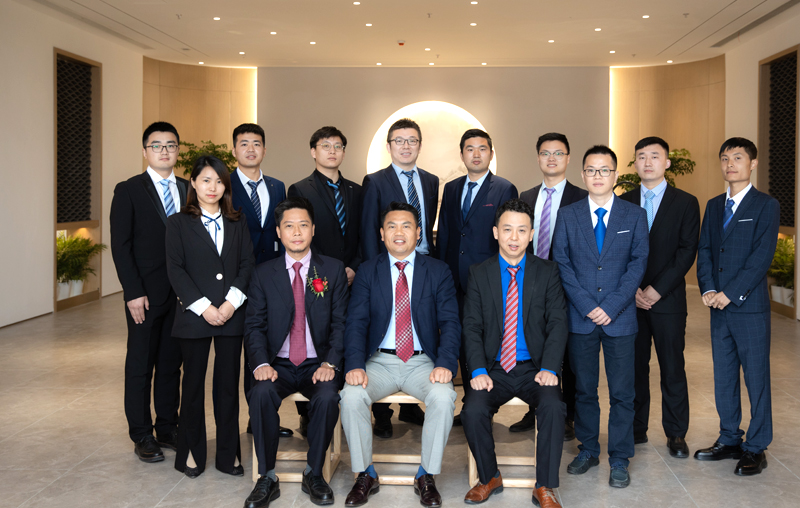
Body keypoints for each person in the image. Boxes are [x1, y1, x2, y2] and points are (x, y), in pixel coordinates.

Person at [340, 202, 461, 508]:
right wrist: (354, 364)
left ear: (418, 233)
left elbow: (450, 322)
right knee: (351, 396)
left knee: (444, 397)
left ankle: (427, 474)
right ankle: (365, 474)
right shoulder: (368, 271)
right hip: (379, 361)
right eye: (391, 226)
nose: (399, 232)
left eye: (406, 226)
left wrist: (446, 363)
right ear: (381, 234)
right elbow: (356, 322)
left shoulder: (438, 271)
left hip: (422, 361)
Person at [552, 145, 648, 488]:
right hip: (581, 317)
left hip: (620, 318)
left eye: (604, 170)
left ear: (615, 175)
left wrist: (610, 306)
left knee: (623, 392)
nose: (598, 176)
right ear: (582, 175)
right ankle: (589, 449)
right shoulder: (568, 215)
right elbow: (561, 263)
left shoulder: (634, 215)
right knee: (584, 390)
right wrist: (586, 304)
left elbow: (638, 264)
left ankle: (619, 457)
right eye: (591, 170)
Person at [461, 199, 568, 508]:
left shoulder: (547, 272)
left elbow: (558, 323)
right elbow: (471, 326)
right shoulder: (479, 273)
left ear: (532, 234)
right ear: (496, 232)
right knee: (472, 410)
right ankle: (489, 476)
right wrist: (477, 370)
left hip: (535, 367)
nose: (514, 237)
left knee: (554, 407)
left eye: (522, 230)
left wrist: (550, 367)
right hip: (494, 367)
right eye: (507, 229)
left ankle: (545, 486)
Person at [243, 197, 349, 508]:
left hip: (318, 363)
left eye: (304, 225)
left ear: (313, 229)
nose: (297, 232)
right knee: (261, 393)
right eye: (289, 226)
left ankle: (314, 472)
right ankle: (267, 476)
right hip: (278, 363)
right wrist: (261, 363)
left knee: (328, 398)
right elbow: (254, 325)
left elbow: (342, 323)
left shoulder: (332, 270)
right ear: (278, 232)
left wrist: (331, 363)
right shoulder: (263, 273)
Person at [165, 155, 255, 478]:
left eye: (218, 181)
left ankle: (228, 455)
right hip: (194, 316)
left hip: (232, 314)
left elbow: (247, 264)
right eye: (205, 180)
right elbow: (175, 269)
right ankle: (191, 452)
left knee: (227, 386)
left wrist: (230, 304)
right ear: (193, 183)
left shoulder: (237, 221)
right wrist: (204, 307)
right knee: (192, 385)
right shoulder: (177, 223)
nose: (212, 187)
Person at [694, 137, 779, 476]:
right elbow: (705, 250)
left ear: (753, 163)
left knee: (756, 379)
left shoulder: (765, 205)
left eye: (738, 158)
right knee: (724, 376)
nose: (730, 164)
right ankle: (729, 438)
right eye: (725, 158)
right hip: (718, 308)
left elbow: (761, 257)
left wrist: (729, 293)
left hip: (749, 308)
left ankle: (756, 446)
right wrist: (708, 288)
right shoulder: (714, 205)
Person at [110, 121, 185, 463]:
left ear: (177, 150)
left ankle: (167, 426)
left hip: (181, 295)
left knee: (171, 364)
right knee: (140, 365)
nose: (164, 151)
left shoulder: (188, 189)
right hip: (144, 294)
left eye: (170, 145)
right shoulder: (129, 190)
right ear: (145, 151)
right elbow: (121, 246)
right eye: (157, 145)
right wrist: (133, 291)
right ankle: (141, 434)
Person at [619, 136, 700, 458]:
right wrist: (634, 289)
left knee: (672, 367)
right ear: (635, 163)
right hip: (631, 301)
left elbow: (686, 251)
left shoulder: (686, 202)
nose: (648, 162)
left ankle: (676, 433)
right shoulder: (623, 201)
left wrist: (657, 289)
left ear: (666, 162)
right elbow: (617, 252)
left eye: (654, 156)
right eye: (641, 156)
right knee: (635, 368)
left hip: (668, 301)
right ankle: (636, 428)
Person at [360, 118, 436, 436]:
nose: (406, 146)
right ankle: (382, 413)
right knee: (385, 329)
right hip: (387, 266)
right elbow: (369, 229)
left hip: (423, 264)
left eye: (412, 140)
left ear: (420, 145)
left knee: (415, 328)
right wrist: (373, 270)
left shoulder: (431, 180)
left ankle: (410, 406)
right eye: (399, 140)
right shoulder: (375, 181)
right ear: (389, 146)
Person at [436, 128, 517, 423]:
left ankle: (484, 404)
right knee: (460, 339)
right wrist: (442, 273)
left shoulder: (504, 188)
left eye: (482, 148)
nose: (476, 154)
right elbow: (446, 232)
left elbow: (507, 236)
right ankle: (470, 403)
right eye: (470, 149)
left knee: (486, 340)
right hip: (455, 280)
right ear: (462, 155)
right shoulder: (452, 188)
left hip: (488, 281)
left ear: (491, 154)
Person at [516, 132, 588, 438]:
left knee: (569, 353)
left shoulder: (582, 197)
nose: (552, 158)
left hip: (570, 285)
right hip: (533, 285)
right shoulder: (527, 196)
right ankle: (534, 409)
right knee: (535, 345)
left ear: (568, 158)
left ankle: (568, 415)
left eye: (558, 153)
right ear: (538, 158)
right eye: (546, 153)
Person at [230, 123, 292, 437]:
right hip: (238, 280)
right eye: (244, 143)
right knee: (248, 350)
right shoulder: (224, 185)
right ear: (234, 150)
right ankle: (254, 417)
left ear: (264, 150)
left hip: (274, 279)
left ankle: (265, 417)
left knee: (271, 344)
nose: (251, 149)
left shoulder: (278, 186)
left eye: (256, 143)